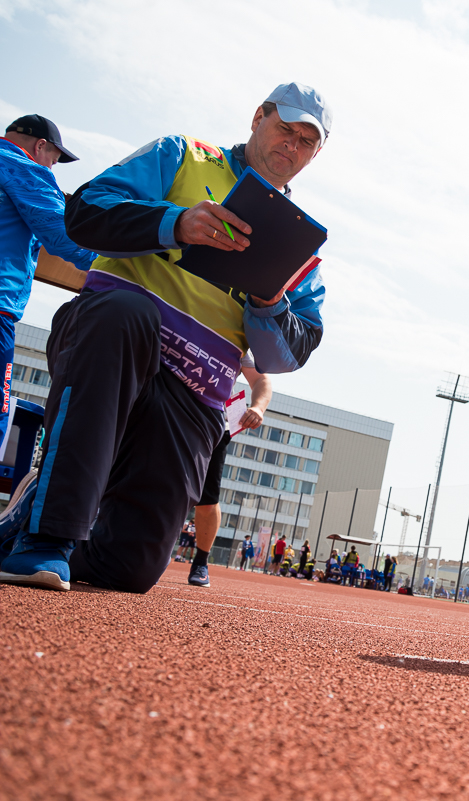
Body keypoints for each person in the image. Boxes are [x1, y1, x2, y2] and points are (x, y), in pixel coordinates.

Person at [0, 83, 330, 594]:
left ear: (315, 154)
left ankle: (24, 526)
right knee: (124, 312)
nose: (292, 144)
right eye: (285, 128)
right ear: (257, 117)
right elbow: (83, 212)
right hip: (112, 338)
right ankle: (45, 538)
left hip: (194, 392)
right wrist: (175, 223)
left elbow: (289, 355)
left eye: (307, 141)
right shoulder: (182, 155)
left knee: (128, 570)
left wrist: (269, 300)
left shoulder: (299, 245)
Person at [0, 115, 96, 479]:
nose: (51, 168)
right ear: (40, 146)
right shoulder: (21, 167)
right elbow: (63, 237)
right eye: (54, 160)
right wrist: (120, 266)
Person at [186, 361, 272, 587]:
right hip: (167, 412)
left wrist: (257, 408)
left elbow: (261, 379)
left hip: (214, 425)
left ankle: (201, 562)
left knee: (207, 500)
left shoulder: (240, 344)